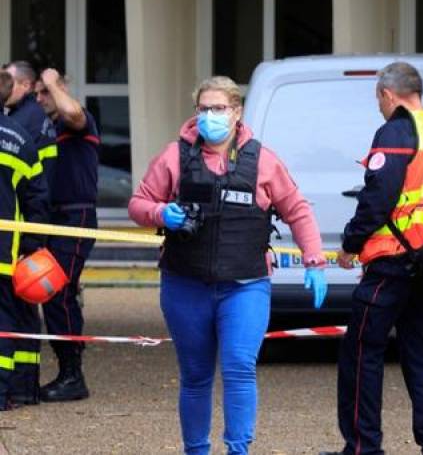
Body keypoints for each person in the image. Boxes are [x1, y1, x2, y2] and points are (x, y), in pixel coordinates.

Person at [128, 76, 327, 455]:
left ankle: (238, 449)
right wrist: (159, 212)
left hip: (246, 285)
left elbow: (297, 210)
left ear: (236, 112)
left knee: (239, 368)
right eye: (203, 108)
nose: (210, 116)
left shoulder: (262, 160)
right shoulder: (174, 156)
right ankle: (196, 450)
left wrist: (314, 260)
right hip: (185, 284)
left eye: (218, 108)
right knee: (196, 376)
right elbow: (138, 203)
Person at [328, 61, 423, 455]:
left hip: (391, 263)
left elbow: (379, 196)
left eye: (379, 100)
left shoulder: (396, 130)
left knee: (360, 354)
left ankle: (362, 448)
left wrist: (351, 244)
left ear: (388, 95)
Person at [30, 68, 99, 402]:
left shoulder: (78, 119)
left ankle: (73, 375)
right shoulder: (48, 128)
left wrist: (53, 80)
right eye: (38, 93)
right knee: (55, 293)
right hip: (52, 218)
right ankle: (67, 372)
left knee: (58, 292)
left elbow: (71, 111)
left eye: (46, 92)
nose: (41, 98)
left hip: (75, 215)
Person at [0, 70, 49, 411]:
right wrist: (32, 246)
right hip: (5, 251)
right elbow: (37, 200)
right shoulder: (18, 138)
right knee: (3, 324)